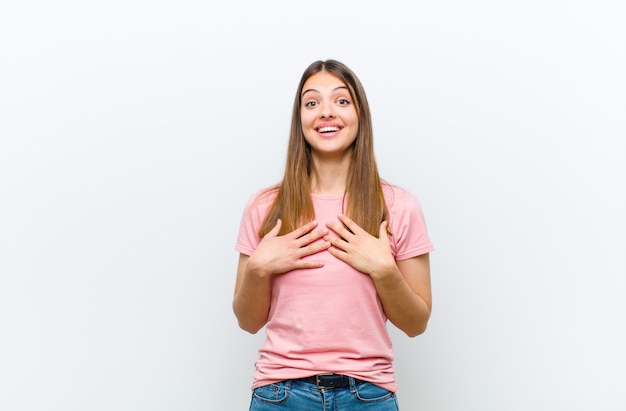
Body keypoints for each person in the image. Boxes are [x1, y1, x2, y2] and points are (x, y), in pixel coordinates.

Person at [233, 59, 434, 410]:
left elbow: (416, 323)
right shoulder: (264, 206)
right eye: (312, 103)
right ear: (301, 121)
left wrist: (385, 271)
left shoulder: (399, 206)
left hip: (368, 396)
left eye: (341, 101)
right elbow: (248, 322)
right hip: (279, 396)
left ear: (360, 116)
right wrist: (258, 269)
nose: (326, 112)